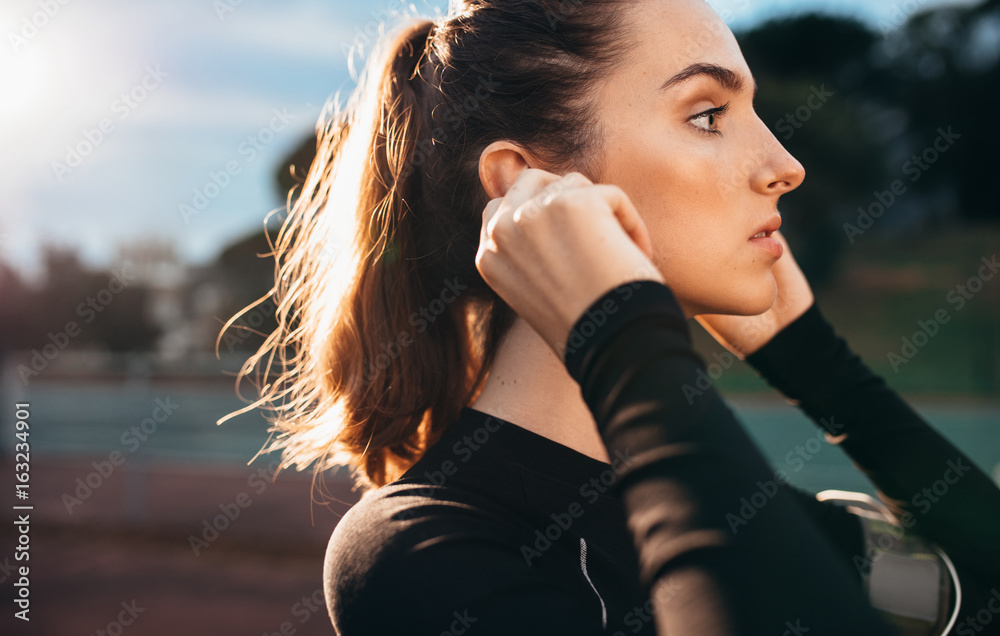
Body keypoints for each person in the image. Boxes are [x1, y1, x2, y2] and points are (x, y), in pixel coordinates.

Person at [232, 0, 1000, 633]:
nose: (784, 165)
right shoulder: (423, 548)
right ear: (528, 187)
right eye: (707, 114)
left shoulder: (737, 498)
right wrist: (620, 331)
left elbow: (978, 599)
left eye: (754, 109)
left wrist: (814, 360)